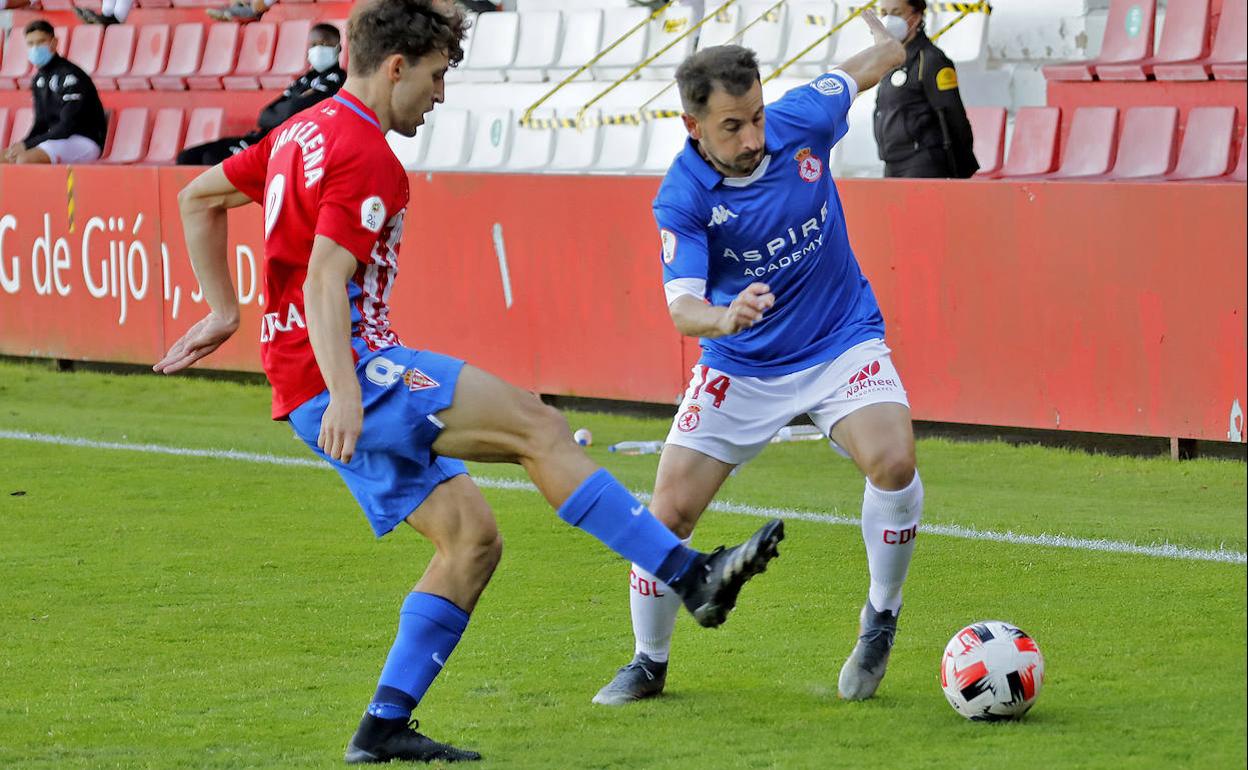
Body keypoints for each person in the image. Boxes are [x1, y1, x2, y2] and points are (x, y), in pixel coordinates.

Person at [153, 0, 783, 763]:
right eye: (438, 74)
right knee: (538, 426)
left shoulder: (299, 129)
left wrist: (224, 310)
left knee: (471, 541)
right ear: (396, 67)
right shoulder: (363, 153)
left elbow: (198, 197)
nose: (442, 94)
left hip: (303, 384)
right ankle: (691, 576)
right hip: (351, 373)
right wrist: (347, 394)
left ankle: (382, 726)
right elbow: (327, 277)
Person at [592, 13, 922, 708]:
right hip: (740, 361)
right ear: (693, 127)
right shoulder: (682, 197)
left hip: (839, 338)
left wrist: (892, 22)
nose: (753, 138)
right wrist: (725, 315)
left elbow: (878, 59)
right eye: (732, 128)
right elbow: (682, 306)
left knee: (893, 461)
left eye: (756, 118)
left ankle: (880, 618)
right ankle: (649, 663)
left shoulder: (804, 118)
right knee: (668, 515)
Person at [177, 23, 346, 166]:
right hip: (260, 137)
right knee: (186, 157)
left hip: (278, 146)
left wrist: (288, 108)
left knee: (211, 158)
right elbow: (265, 115)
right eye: (313, 44)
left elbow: (292, 109)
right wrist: (289, 108)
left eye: (324, 43)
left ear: (338, 48)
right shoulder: (304, 79)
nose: (317, 49)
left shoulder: (337, 79)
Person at [874, 0, 978, 178]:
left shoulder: (931, 60)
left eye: (897, 13)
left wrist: (962, 169)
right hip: (892, 163)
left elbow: (954, 117)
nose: (888, 20)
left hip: (923, 164)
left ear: (916, 17)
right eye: (884, 13)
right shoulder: (890, 60)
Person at [0, 20, 108, 166]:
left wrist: (27, 146)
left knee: (24, 159)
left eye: (40, 42)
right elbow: (40, 124)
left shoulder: (71, 76)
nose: (35, 48)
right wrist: (23, 144)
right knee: (5, 157)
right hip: (56, 140)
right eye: (31, 44)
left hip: (84, 140)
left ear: (54, 43)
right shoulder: (38, 80)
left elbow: (67, 126)